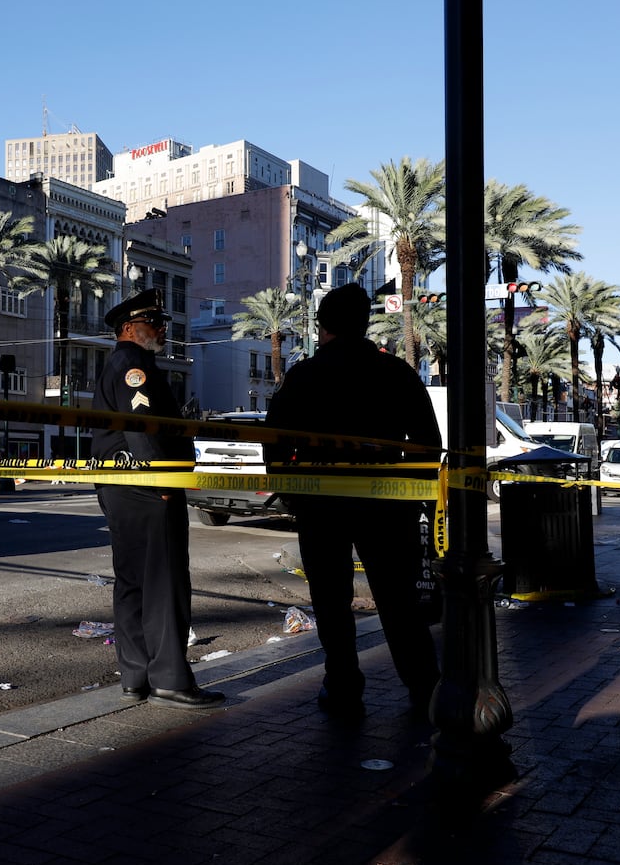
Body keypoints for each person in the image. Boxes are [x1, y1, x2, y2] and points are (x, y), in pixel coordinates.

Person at [265, 284, 441, 722]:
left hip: (320, 505)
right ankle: (423, 684)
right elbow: (427, 444)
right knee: (398, 599)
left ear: (322, 326)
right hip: (385, 504)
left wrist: (292, 492)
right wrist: (410, 492)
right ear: (366, 324)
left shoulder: (304, 375)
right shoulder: (397, 373)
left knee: (330, 599)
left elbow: (273, 443)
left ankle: (342, 684)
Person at [92, 288, 223, 709]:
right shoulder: (133, 364)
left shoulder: (121, 362)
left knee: (132, 583)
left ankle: (135, 676)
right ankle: (168, 677)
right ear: (130, 328)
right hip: (145, 487)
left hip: (123, 486)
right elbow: (143, 425)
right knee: (164, 582)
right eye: (154, 322)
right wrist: (160, 480)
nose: (162, 329)